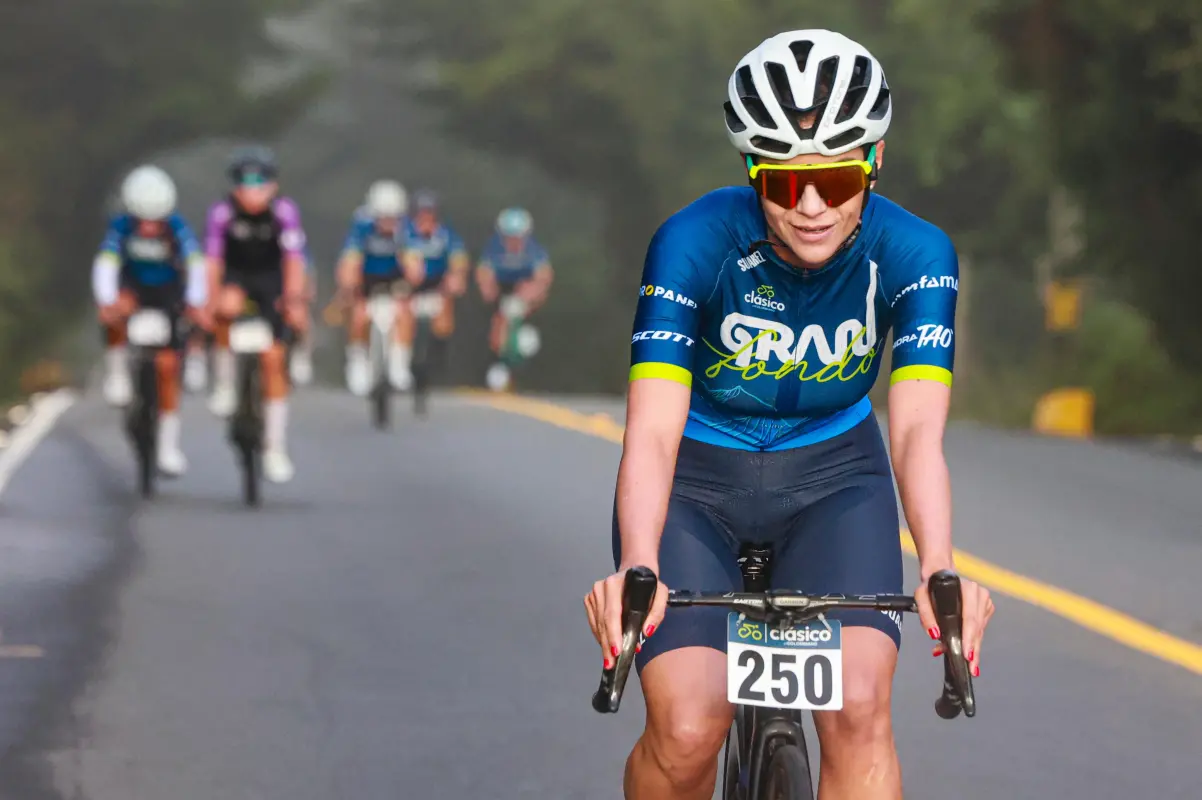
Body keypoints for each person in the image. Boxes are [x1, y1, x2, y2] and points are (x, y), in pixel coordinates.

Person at [583, 30, 995, 800]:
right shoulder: (691, 242)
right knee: (686, 730)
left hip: (836, 480)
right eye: (781, 183)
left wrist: (940, 565)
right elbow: (651, 431)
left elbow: (913, 433)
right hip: (696, 487)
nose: (809, 207)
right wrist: (637, 565)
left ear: (872, 165)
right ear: (752, 173)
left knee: (861, 712)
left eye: (836, 182)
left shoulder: (916, 252)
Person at [93, 165, 208, 476]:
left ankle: (169, 446)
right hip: (133, 291)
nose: (148, 227)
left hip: (168, 295)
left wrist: (196, 302)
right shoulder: (120, 227)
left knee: (168, 368)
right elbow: (106, 264)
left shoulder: (177, 227)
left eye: (154, 220)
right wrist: (108, 300)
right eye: (142, 220)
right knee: (116, 315)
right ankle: (117, 372)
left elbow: (196, 265)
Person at [204, 145, 308, 483]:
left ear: (273, 186)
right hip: (236, 277)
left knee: (274, 361)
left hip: (271, 281)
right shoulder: (222, 214)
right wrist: (210, 300)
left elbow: (294, 260)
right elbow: (213, 262)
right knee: (227, 307)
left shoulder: (285, 213)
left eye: (260, 184)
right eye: (245, 184)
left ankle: (275, 448)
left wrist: (293, 300)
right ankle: (224, 382)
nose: (252, 192)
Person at [335, 179, 420, 396]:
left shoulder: (407, 228)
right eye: (383, 216)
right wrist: (350, 285)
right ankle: (357, 360)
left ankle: (400, 362)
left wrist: (411, 281)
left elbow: (414, 265)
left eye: (393, 217)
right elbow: (349, 260)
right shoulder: (361, 225)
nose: (388, 222)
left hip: (394, 277)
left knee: (404, 312)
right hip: (367, 277)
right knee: (359, 315)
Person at [474, 207, 553, 391]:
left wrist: (529, 296)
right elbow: (483, 273)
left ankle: (519, 354)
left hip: (524, 296)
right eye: (509, 237)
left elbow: (544, 277)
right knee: (499, 325)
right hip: (502, 293)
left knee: (514, 317)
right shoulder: (493, 248)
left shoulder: (534, 251)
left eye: (518, 237)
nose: (513, 242)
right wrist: (489, 290)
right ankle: (500, 363)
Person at [399, 188, 469, 365]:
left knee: (445, 311)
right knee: (402, 309)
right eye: (421, 212)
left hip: (437, 283)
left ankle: (438, 352)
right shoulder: (403, 232)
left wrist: (457, 275)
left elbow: (459, 258)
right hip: (408, 284)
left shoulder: (446, 235)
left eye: (429, 212)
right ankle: (401, 357)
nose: (425, 217)